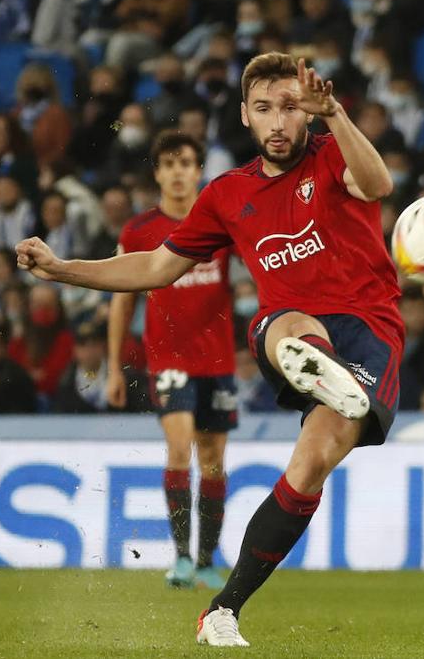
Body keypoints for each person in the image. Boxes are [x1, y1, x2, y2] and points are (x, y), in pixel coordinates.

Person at [16, 52, 401, 648]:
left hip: (370, 333)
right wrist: (63, 268)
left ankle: (222, 610)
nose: (278, 121)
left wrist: (337, 115)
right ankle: (315, 364)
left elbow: (377, 185)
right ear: (245, 115)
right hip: (289, 328)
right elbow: (155, 266)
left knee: (310, 467)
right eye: (265, 108)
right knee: (290, 322)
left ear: (307, 112)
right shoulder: (227, 194)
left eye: (291, 107)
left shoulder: (333, 155)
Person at [106, 130, 238, 590]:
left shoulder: (222, 222)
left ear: (199, 170)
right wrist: (113, 367)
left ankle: (205, 561)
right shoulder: (139, 231)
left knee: (214, 459)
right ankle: (181, 558)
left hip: (218, 360)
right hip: (168, 359)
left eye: (185, 163)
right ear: (157, 174)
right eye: (168, 164)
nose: (178, 172)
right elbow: (122, 301)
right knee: (180, 447)